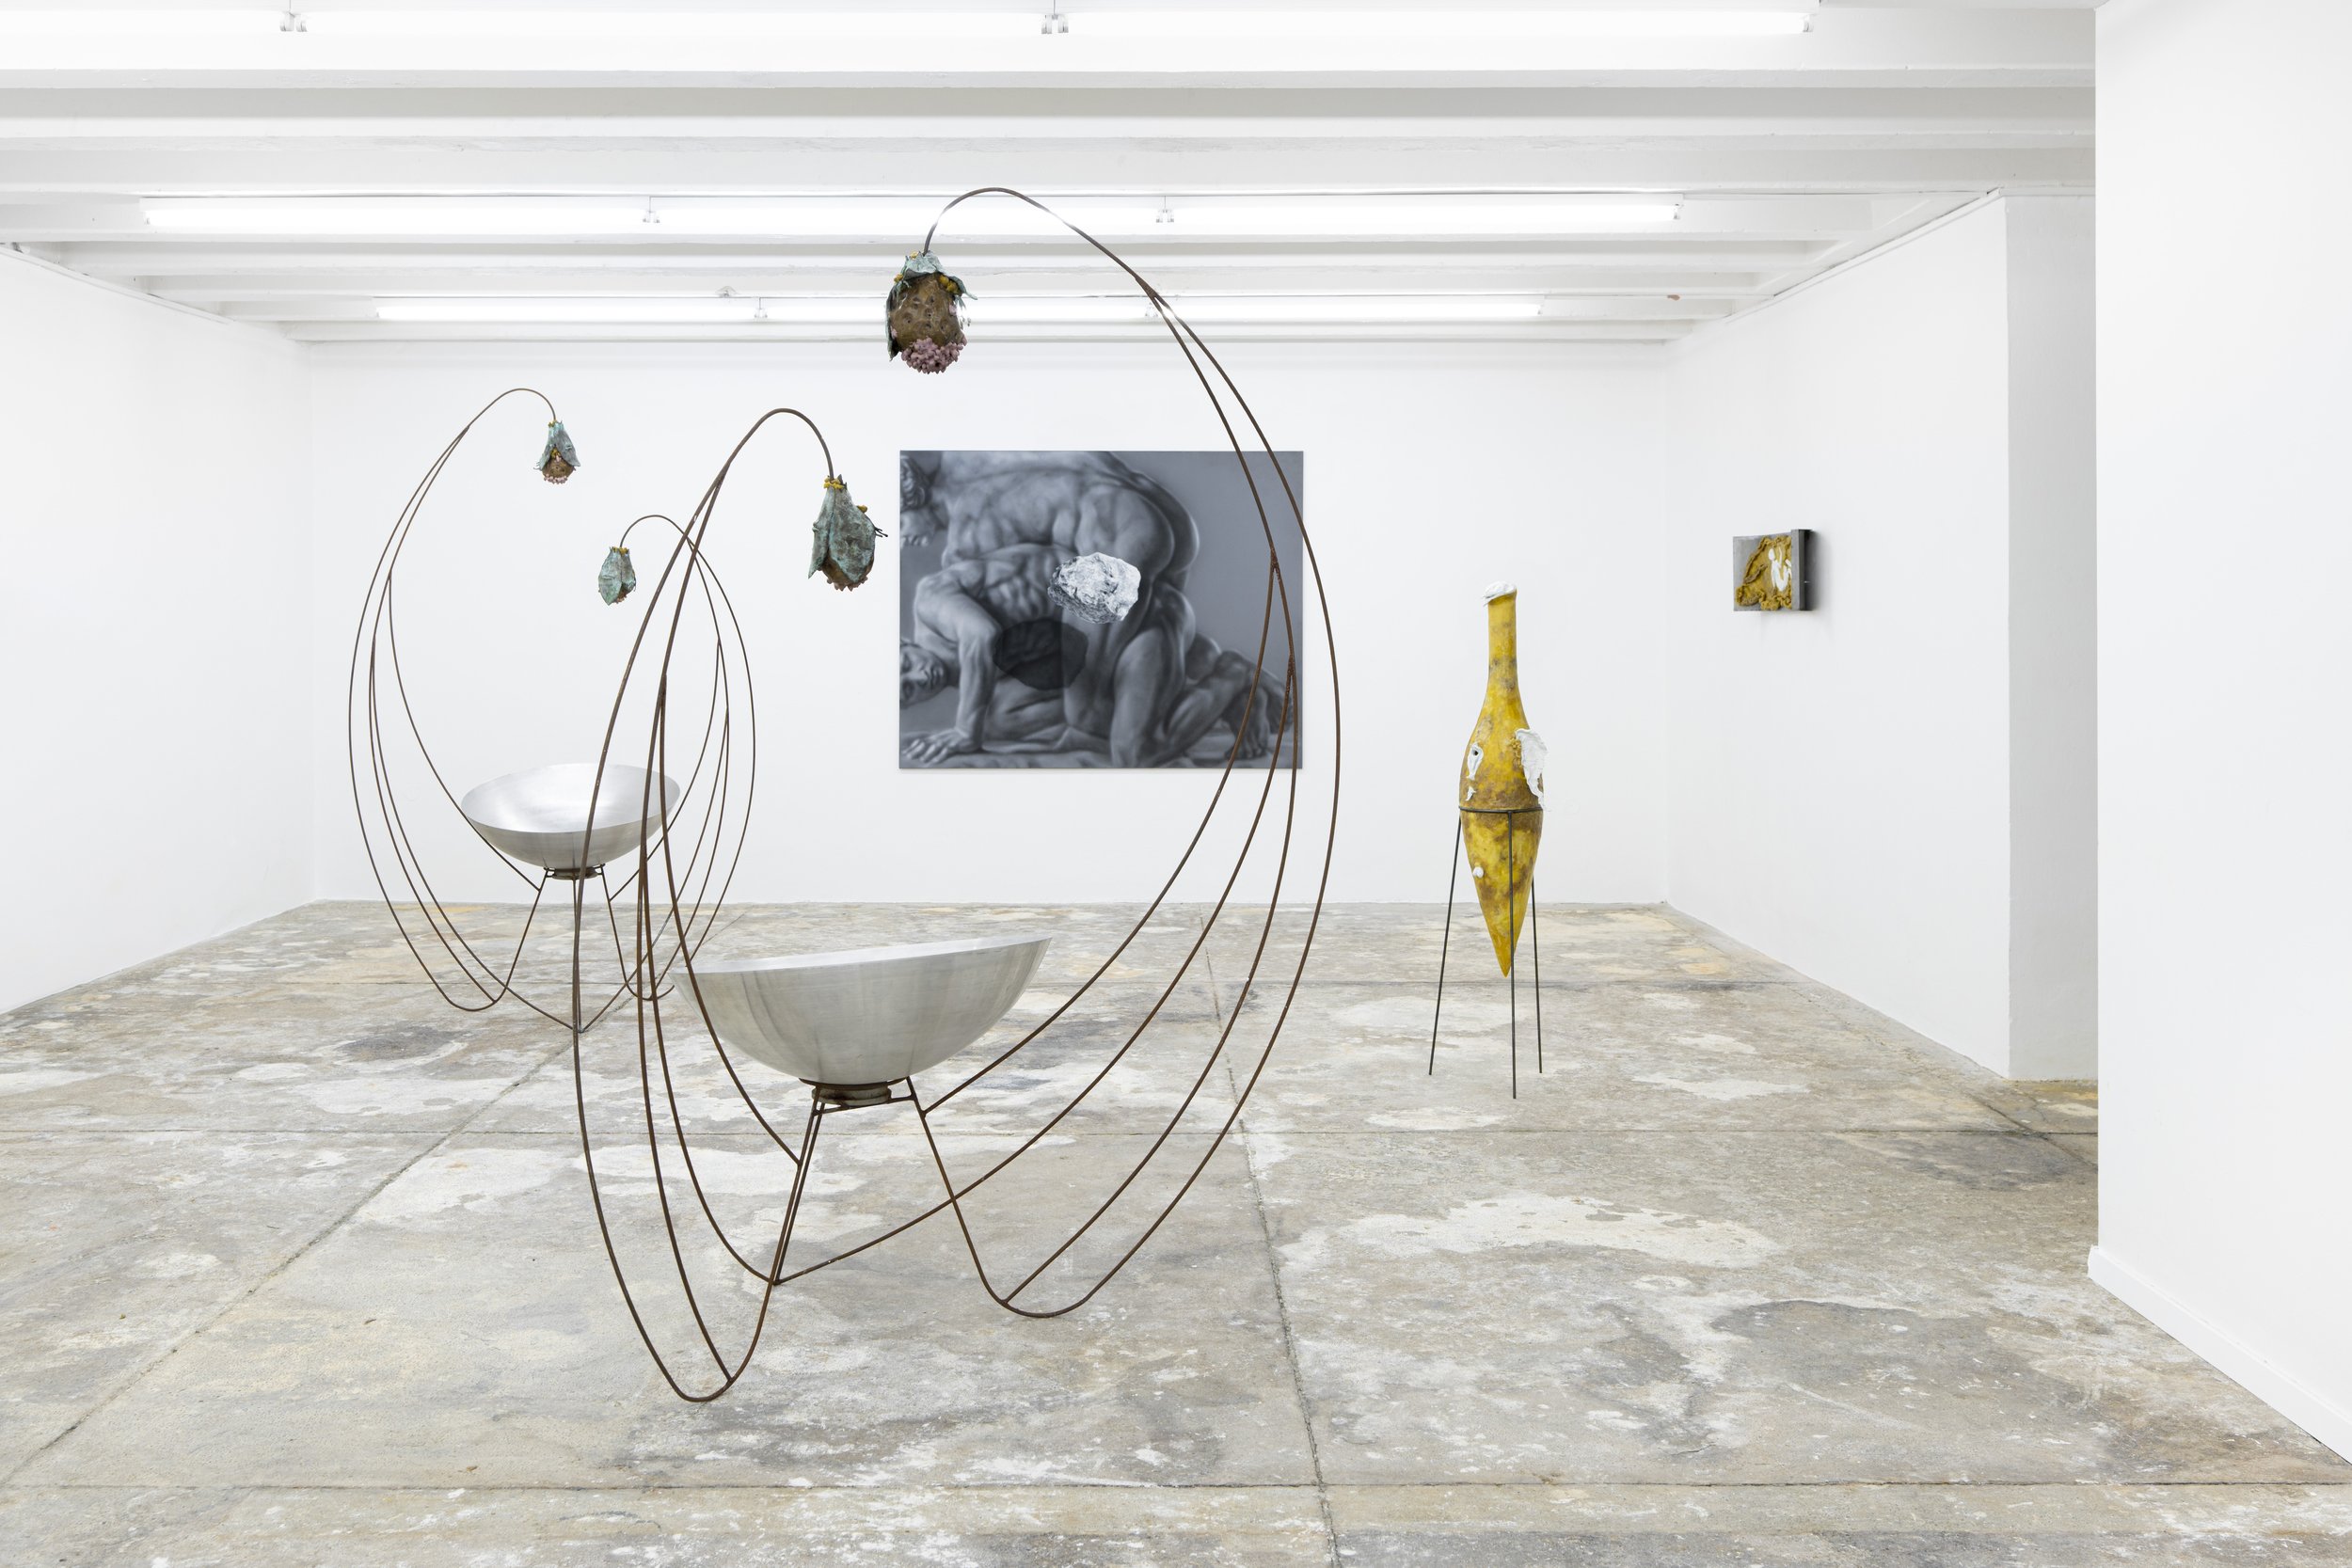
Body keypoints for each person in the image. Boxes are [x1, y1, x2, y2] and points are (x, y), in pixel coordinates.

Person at [898, 452, 1286, 768]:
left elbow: (985, 632)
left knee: (1088, 719)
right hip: (1151, 526)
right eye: (908, 690)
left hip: (1118, 540)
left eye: (896, 520)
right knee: (1121, 683)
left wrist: (967, 731)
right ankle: (1233, 687)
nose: (901, 536)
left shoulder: (957, 553)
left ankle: (1232, 678)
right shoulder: (977, 482)